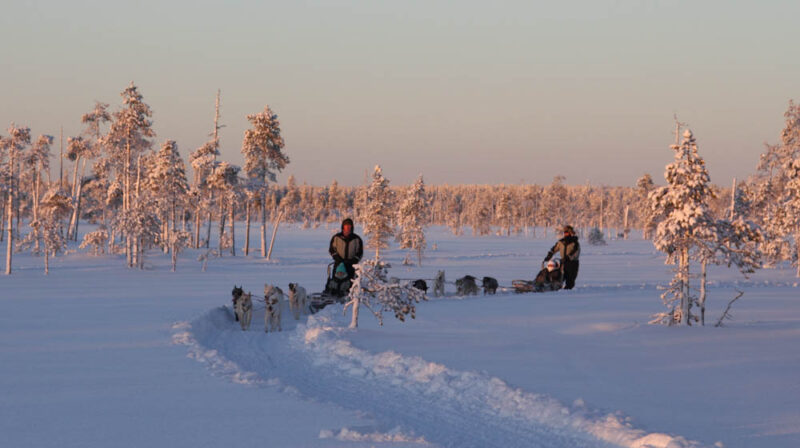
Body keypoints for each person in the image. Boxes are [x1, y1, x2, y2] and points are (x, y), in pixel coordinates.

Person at [327, 218, 363, 296]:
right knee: (335, 282)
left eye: (349, 226)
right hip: (338, 264)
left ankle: (349, 296)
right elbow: (331, 250)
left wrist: (354, 260)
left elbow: (360, 252)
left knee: (350, 283)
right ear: (343, 227)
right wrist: (337, 258)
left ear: (352, 227)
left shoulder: (356, 239)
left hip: (351, 265)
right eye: (346, 226)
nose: (347, 228)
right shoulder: (336, 237)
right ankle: (332, 294)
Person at [544, 225, 581, 290]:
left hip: (572, 264)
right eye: (564, 232)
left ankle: (567, 294)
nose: (565, 234)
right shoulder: (561, 242)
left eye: (567, 232)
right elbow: (554, 249)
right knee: (558, 277)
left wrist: (568, 257)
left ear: (570, 233)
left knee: (570, 280)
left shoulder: (575, 243)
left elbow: (576, 253)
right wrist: (549, 255)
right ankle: (553, 288)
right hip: (563, 263)